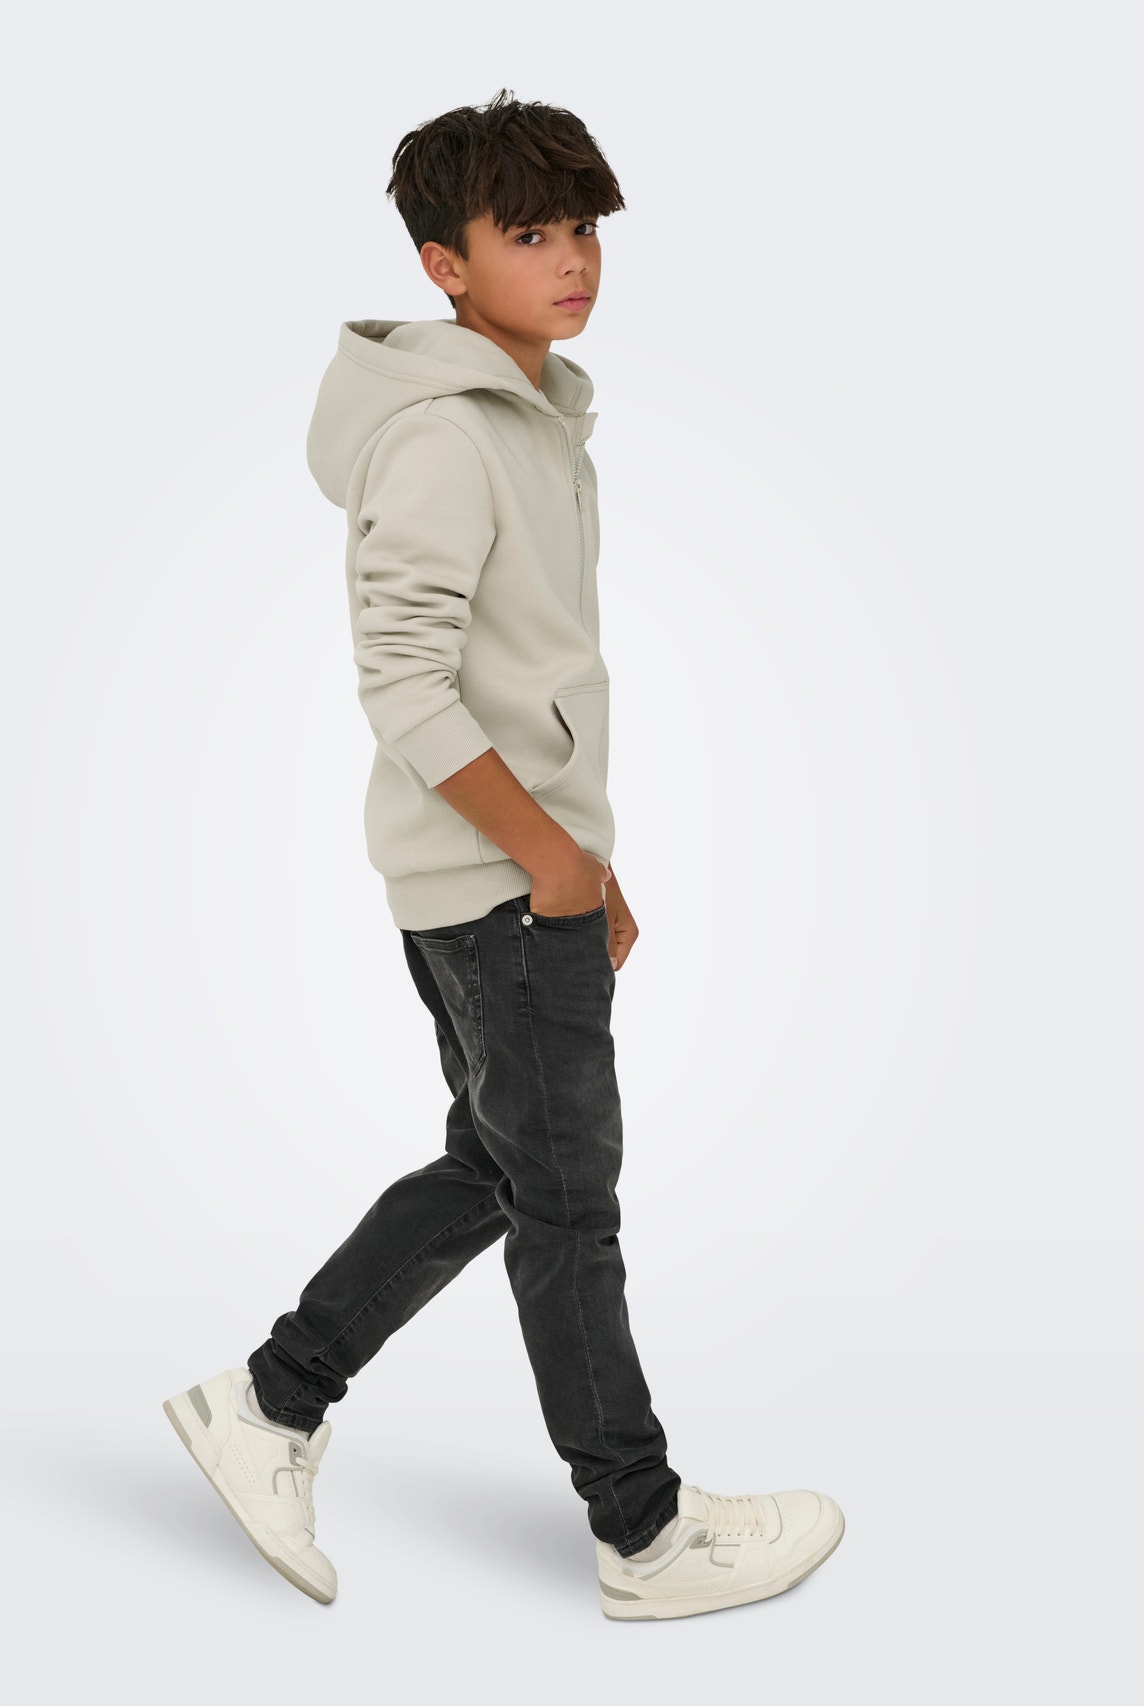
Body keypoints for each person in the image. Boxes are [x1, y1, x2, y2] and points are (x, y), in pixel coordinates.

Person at [163, 87, 845, 1620]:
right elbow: (403, 679)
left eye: (583, 226)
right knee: (567, 1206)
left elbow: (520, 682)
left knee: (499, 1166)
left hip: (516, 872)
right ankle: (644, 1533)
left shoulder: (534, 419)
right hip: (495, 884)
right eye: (528, 233)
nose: (573, 258)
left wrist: (588, 862)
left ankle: (268, 1399)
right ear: (444, 265)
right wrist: (549, 860)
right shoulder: (447, 438)